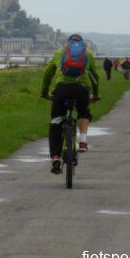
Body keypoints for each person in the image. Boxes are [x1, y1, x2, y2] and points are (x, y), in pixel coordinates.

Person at [41, 34, 100, 174]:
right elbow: (95, 78)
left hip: (62, 90)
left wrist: (44, 92)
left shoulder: (60, 53)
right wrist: (95, 95)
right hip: (82, 90)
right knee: (83, 111)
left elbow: (48, 74)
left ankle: (55, 157)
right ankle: (83, 141)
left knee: (55, 121)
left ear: (68, 44)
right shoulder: (88, 54)